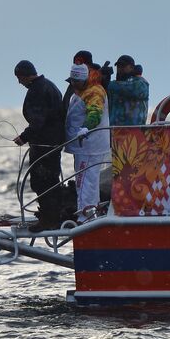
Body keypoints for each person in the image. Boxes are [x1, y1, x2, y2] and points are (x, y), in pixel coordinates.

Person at [13, 60, 65, 232]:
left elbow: (38, 121)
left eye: (19, 79)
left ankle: (49, 220)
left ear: (24, 76)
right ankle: (53, 216)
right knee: (51, 179)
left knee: (42, 181)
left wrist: (23, 137)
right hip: (54, 141)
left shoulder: (37, 90)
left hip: (45, 143)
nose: (19, 83)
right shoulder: (48, 85)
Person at [64, 63, 110, 223]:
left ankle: (86, 216)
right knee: (85, 180)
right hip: (81, 146)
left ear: (83, 79)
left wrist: (86, 128)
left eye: (74, 81)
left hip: (90, 145)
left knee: (85, 180)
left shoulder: (94, 92)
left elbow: (95, 114)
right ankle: (91, 211)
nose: (72, 85)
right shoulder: (81, 91)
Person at [107, 55, 149, 126]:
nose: (120, 68)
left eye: (123, 66)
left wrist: (108, 83)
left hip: (134, 133)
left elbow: (133, 90)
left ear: (132, 67)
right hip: (113, 132)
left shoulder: (141, 82)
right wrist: (102, 77)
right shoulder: (113, 86)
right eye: (118, 66)